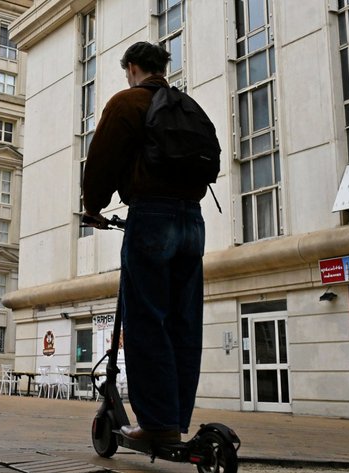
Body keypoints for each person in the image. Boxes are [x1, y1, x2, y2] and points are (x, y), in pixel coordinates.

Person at [81, 41, 208, 444]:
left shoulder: (127, 103)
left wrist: (94, 207)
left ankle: (156, 426)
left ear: (132, 67)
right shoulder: (188, 106)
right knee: (183, 323)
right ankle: (174, 418)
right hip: (193, 220)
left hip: (152, 218)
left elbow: (101, 160)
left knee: (146, 320)